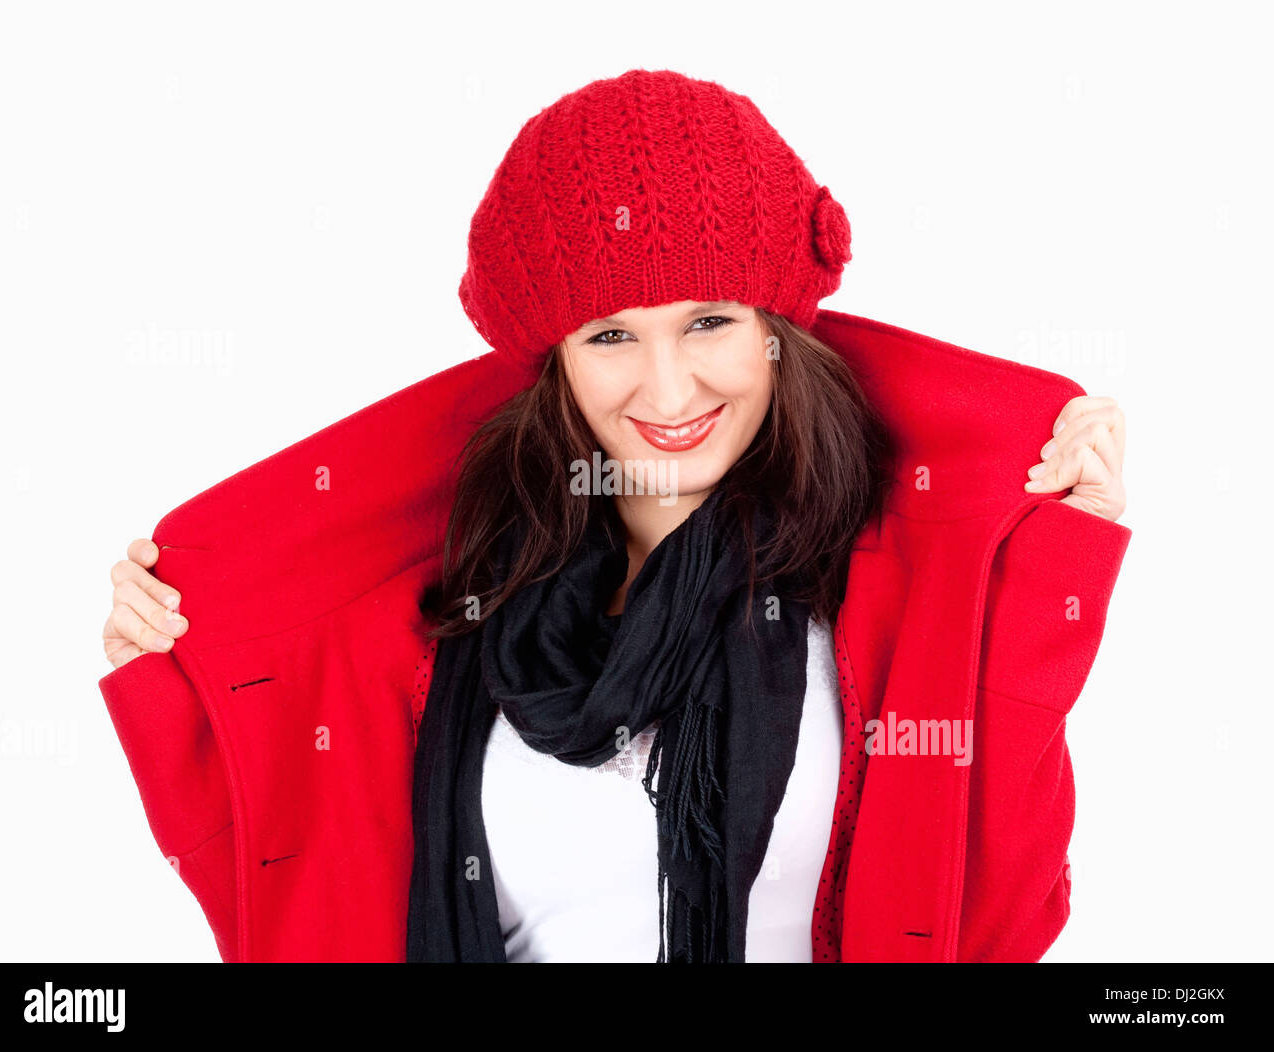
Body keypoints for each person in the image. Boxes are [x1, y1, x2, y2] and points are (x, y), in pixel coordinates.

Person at [99, 69, 1130, 963]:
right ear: (550, 361)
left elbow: (1005, 911)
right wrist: (174, 642)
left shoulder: (880, 595)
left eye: (710, 321)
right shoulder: (448, 612)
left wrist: (1059, 568)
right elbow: (280, 886)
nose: (669, 388)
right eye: (609, 336)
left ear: (778, 331)